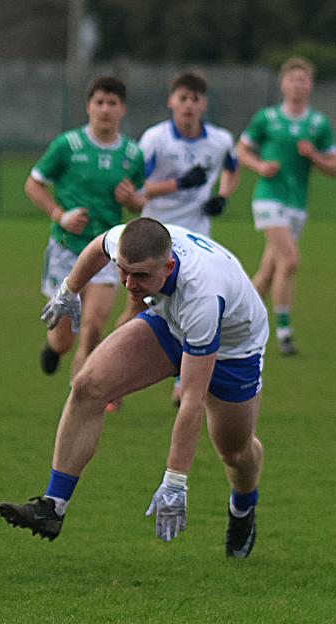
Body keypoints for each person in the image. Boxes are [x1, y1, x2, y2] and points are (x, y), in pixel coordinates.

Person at [0, 217, 267, 559]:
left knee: (235, 452)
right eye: (123, 271)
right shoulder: (128, 241)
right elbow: (97, 247)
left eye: (140, 276)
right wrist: (70, 289)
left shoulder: (202, 295)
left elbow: (192, 400)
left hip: (232, 350)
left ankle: (243, 508)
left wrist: (175, 480)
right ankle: (53, 506)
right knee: (88, 385)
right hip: (170, 322)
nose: (128, 284)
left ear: (168, 267)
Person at [116, 70, 240, 405]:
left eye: (195, 99)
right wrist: (179, 184)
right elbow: (136, 190)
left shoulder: (220, 140)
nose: (189, 105)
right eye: (183, 98)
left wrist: (223, 196)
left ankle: (183, 381)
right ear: (172, 101)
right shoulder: (156, 139)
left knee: (195, 307)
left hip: (197, 240)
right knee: (137, 307)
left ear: (204, 104)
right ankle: (104, 372)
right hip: (156, 235)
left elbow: (232, 168)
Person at [25, 76, 145, 388]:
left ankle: (79, 397)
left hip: (107, 251)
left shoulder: (132, 153)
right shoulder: (68, 145)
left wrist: (132, 200)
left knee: (93, 326)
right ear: (89, 107)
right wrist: (60, 215)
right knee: (65, 338)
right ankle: (54, 348)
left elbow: (140, 201)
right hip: (66, 248)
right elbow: (33, 184)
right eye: (100, 102)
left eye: (112, 103)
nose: (105, 109)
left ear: (122, 110)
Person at [236, 56, 336, 356]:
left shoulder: (318, 123)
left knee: (270, 271)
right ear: (283, 84)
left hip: (297, 204)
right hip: (269, 197)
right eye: (293, 79)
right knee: (291, 260)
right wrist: (259, 166)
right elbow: (241, 150)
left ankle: (237, 320)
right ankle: (283, 332)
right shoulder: (267, 118)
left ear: (310, 86)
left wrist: (315, 156)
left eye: (303, 80)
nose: (298, 85)